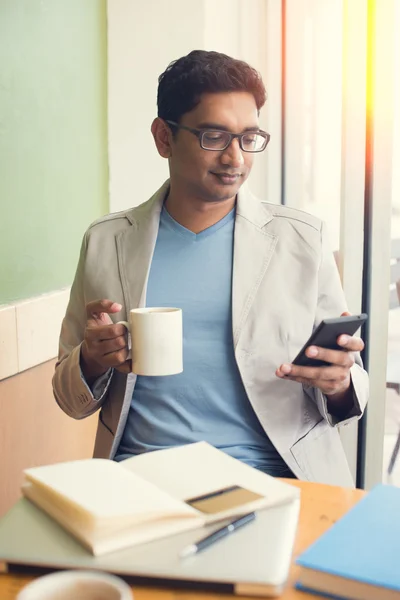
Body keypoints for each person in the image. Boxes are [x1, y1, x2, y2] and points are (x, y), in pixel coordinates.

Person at [53, 50, 368, 486]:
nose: (235, 158)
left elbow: (352, 383)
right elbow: (69, 398)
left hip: (274, 475)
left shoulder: (302, 239)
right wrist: (91, 360)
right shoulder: (107, 241)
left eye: (249, 137)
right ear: (164, 137)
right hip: (141, 477)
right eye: (214, 136)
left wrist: (338, 382)